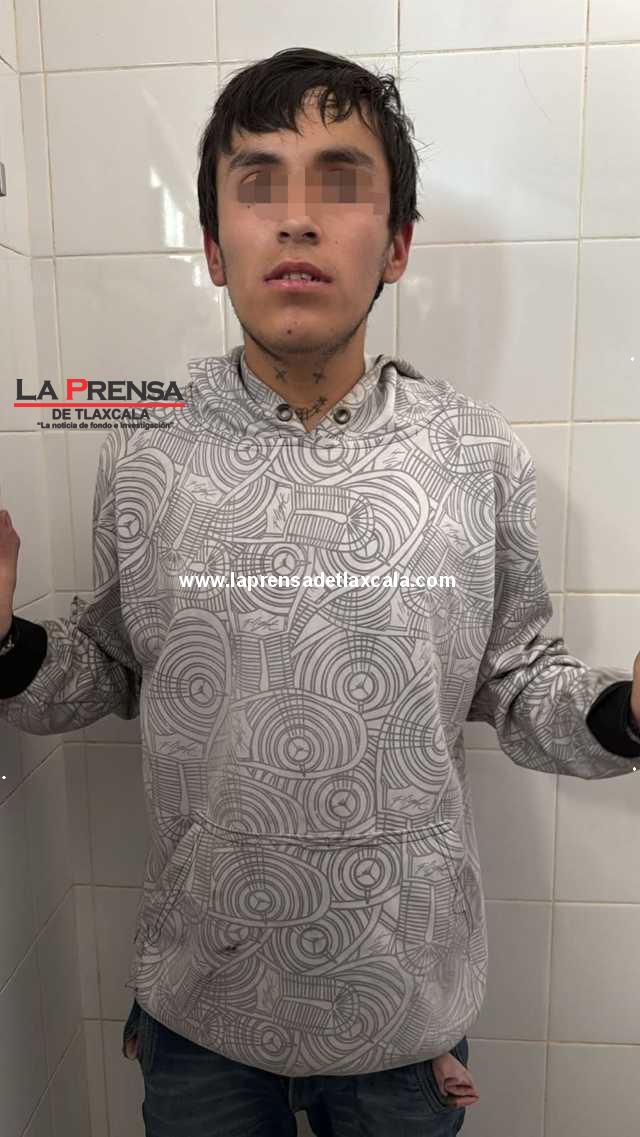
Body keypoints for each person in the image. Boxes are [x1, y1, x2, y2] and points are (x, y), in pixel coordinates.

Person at [1, 45, 640, 1137]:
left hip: (405, 1018)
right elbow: (110, 666)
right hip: (200, 1008)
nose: (296, 219)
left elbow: (518, 682)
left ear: (396, 245)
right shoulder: (144, 452)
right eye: (258, 184)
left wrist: (626, 712)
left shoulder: (475, 453)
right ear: (214, 247)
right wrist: (7, 645)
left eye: (340, 183)